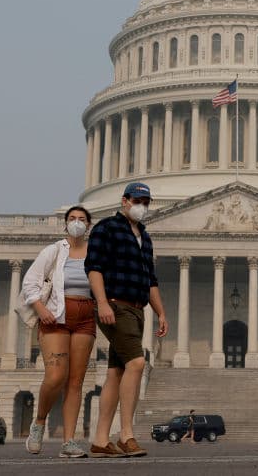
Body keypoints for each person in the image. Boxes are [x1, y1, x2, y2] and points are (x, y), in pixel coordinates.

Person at [86, 181, 169, 458]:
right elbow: (94, 267)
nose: (141, 207)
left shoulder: (144, 237)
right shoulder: (105, 228)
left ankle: (100, 440)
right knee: (137, 362)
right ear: (124, 201)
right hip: (114, 305)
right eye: (137, 201)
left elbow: (151, 280)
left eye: (146, 203)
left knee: (115, 373)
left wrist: (161, 312)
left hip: (136, 308)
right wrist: (101, 302)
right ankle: (126, 434)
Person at [23, 205, 96, 459]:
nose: (77, 222)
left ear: (89, 225)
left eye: (82, 219)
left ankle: (69, 442)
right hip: (56, 316)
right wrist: (41, 308)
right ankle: (39, 422)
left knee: (76, 383)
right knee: (56, 376)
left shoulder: (97, 253)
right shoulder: (53, 251)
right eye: (73, 219)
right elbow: (30, 282)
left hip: (86, 317)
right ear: (66, 224)